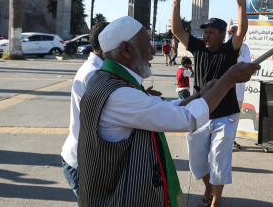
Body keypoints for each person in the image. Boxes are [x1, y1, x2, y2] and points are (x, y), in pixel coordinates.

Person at [77, 15, 258, 207]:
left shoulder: (109, 80)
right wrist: (228, 79)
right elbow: (186, 119)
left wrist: (197, 96)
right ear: (126, 49)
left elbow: (159, 108)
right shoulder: (119, 94)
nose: (152, 51)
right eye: (147, 45)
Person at [171, 0, 249, 207]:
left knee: (219, 159)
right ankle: (208, 186)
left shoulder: (229, 50)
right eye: (204, 32)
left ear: (222, 34)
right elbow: (177, 30)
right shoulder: (196, 47)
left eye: (211, 32)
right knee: (196, 161)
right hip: (199, 114)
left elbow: (241, 31)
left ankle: (216, 198)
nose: (205, 36)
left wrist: (240, 5)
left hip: (225, 115)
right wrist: (176, 4)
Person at [60, 21, 109, 198]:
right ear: (106, 45)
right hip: (82, 164)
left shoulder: (98, 69)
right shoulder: (93, 74)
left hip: (86, 160)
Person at [228, 24, 251, 150]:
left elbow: (247, 64)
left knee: (235, 116)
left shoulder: (244, 47)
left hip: (238, 90)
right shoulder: (223, 47)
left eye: (232, 32)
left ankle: (232, 140)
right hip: (223, 89)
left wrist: (237, 56)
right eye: (229, 32)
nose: (230, 35)